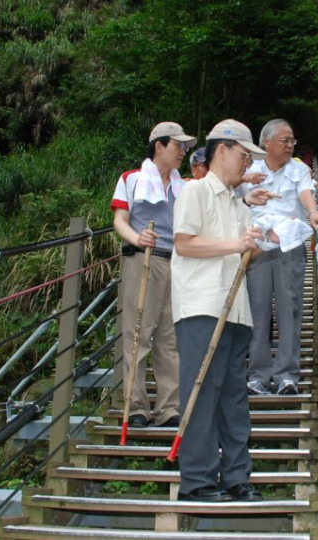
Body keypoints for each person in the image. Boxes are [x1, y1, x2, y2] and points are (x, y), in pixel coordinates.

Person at [172, 119, 276, 502]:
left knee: (233, 397)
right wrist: (237, 244)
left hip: (236, 310)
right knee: (202, 393)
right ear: (222, 151)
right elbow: (184, 243)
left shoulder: (237, 204)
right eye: (245, 156)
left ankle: (236, 477)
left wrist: (264, 243)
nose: (247, 164)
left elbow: (243, 253)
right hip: (202, 306)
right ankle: (196, 482)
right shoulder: (194, 191)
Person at [110, 121, 196, 429]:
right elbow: (119, 220)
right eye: (178, 145)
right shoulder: (131, 179)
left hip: (177, 263)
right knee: (137, 334)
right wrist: (137, 238)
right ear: (159, 146)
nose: (183, 152)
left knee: (169, 338)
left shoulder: (185, 186)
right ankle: (135, 407)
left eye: (185, 147)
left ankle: (168, 407)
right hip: (142, 260)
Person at [236, 119, 318, 396]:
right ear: (267, 142)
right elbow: (234, 199)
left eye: (292, 140)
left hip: (289, 244)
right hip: (258, 245)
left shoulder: (299, 169)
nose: (290, 145)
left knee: (290, 309)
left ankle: (287, 375)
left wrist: (313, 212)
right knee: (257, 310)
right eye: (284, 140)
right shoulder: (249, 169)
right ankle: (258, 375)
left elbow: (305, 193)